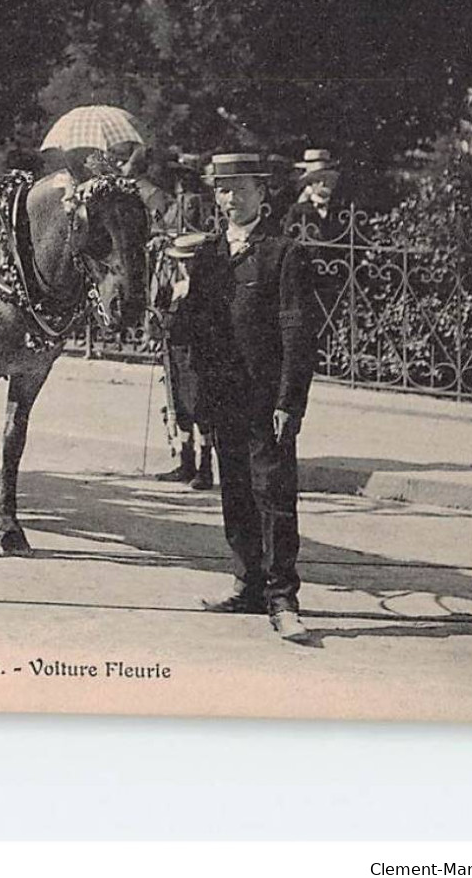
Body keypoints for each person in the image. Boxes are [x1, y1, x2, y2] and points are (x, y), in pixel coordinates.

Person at [184, 152, 318, 643]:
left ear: (263, 195)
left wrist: (290, 401)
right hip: (224, 399)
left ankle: (283, 599)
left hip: (268, 403)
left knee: (274, 495)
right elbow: (195, 332)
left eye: (242, 188)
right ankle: (247, 585)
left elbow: (298, 334)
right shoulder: (208, 255)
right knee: (235, 491)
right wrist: (196, 400)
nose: (231, 198)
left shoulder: (283, 253)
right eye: (223, 189)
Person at [149, 232, 217, 489]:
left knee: (201, 410)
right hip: (175, 355)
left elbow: (195, 324)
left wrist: (169, 323)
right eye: (181, 260)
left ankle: (205, 468)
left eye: (190, 260)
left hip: (197, 357)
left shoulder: (206, 290)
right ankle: (186, 463)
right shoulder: (176, 288)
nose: (185, 265)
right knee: (179, 408)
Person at [281, 148, 345, 241]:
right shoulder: (335, 176)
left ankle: (287, 235)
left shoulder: (311, 178)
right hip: (325, 216)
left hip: (314, 214)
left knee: (293, 210)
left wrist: (310, 193)